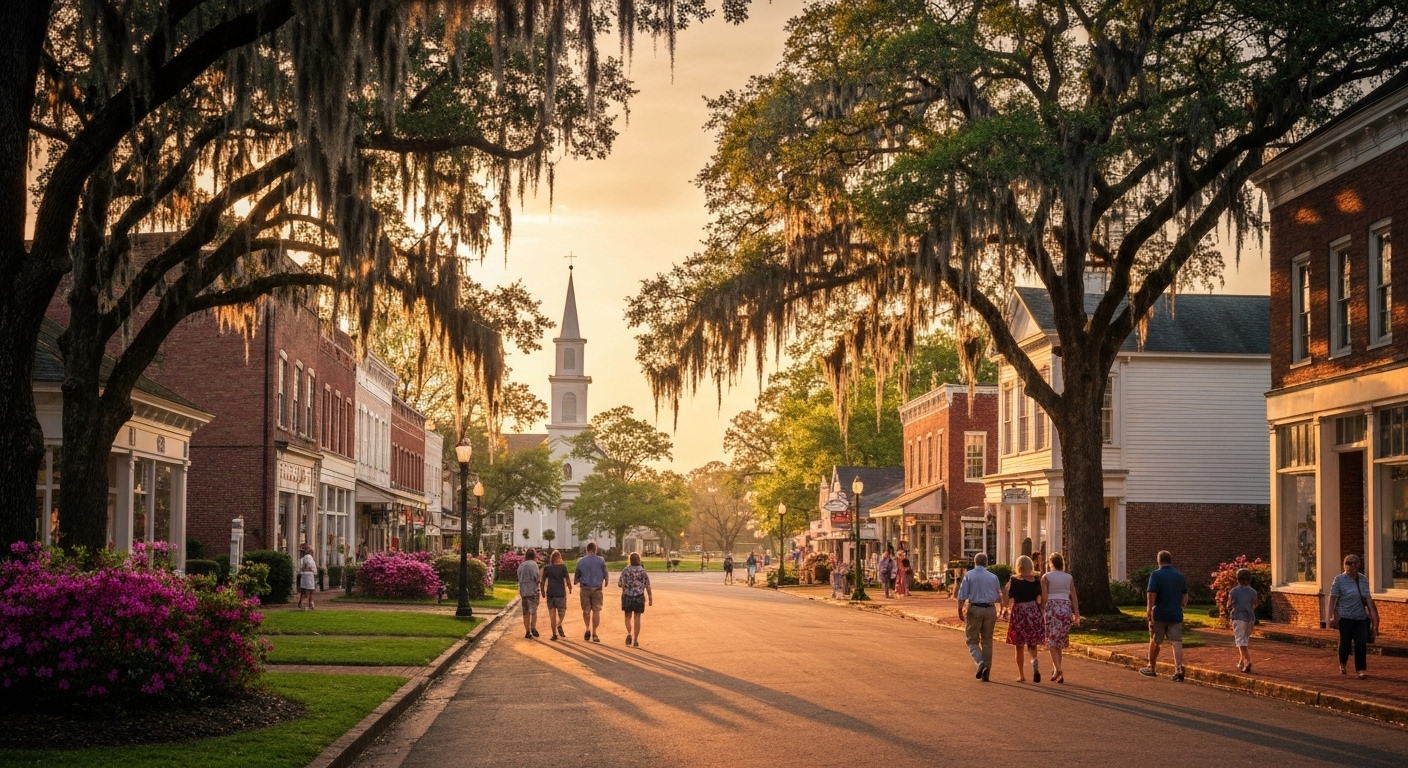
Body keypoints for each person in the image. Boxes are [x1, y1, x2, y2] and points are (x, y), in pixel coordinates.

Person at [1140, 550, 1189, 681]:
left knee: (1155, 641)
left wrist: (1149, 611)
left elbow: (1151, 594)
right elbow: (1185, 595)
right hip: (1175, 614)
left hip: (1160, 613)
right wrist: (1181, 606)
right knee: (1176, 642)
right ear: (1170, 560)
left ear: (1159, 560)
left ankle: (1151, 667)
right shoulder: (1179, 576)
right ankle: (1178, 669)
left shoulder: (1156, 575)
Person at [1329, 554, 1379, 679]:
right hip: (1345, 617)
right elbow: (1332, 599)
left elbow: (1368, 600)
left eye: (1354, 563)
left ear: (1358, 565)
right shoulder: (1339, 579)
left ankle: (1360, 670)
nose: (1351, 565)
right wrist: (1329, 617)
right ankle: (1342, 663)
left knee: (1361, 643)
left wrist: (1374, 620)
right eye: (1348, 563)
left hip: (1360, 617)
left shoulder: (1363, 579)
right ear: (1344, 565)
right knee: (1345, 643)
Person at [957, 552, 1002, 681]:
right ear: (986, 563)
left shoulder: (969, 575)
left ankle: (980, 661)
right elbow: (999, 595)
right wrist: (1002, 609)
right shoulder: (993, 577)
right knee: (987, 641)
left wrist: (960, 610)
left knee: (971, 639)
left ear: (975, 562)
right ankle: (986, 671)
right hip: (989, 609)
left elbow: (962, 595)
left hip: (975, 608)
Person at [1003, 555, 1045, 682]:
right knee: (1032, 643)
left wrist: (1005, 606)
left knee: (1019, 644)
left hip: (1019, 612)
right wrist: (1040, 608)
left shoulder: (1014, 580)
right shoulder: (1037, 580)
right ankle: (1034, 660)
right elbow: (1042, 597)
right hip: (1033, 611)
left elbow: (1006, 597)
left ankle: (1021, 675)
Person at [1041, 552, 1079, 684]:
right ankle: (1057, 670)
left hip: (1052, 608)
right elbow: (1073, 596)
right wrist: (1077, 613)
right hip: (1065, 608)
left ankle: (1058, 669)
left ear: (1051, 563)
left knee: (1051, 640)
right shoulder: (1068, 577)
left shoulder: (1046, 577)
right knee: (1059, 642)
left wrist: (1043, 610)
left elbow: (1045, 597)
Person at [574, 541, 608, 642]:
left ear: (587, 550)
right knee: (596, 611)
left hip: (585, 588)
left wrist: (576, 581)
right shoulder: (601, 560)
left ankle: (587, 628)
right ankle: (594, 633)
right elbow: (605, 572)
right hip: (597, 588)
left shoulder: (581, 561)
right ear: (595, 550)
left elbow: (577, 574)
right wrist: (606, 580)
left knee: (586, 610)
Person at [1228, 568, 1260, 673]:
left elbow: (1229, 603)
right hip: (1250, 618)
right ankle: (1241, 662)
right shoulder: (1253, 591)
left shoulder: (1234, 591)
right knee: (1245, 639)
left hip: (1238, 617)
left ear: (1238, 579)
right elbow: (1255, 604)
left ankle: (1247, 661)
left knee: (1240, 641)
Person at [618, 552, 653, 647]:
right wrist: (650, 598)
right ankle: (636, 640)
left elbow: (620, 584)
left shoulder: (625, 570)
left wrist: (626, 586)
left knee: (627, 617)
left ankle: (629, 633)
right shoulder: (642, 571)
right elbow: (648, 585)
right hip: (639, 597)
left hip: (627, 597)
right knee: (637, 618)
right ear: (639, 560)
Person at [541, 549, 572, 641]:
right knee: (562, 612)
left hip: (550, 593)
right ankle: (559, 624)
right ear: (559, 558)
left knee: (552, 615)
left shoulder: (547, 568)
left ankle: (554, 634)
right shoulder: (563, 567)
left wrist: (542, 591)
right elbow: (567, 579)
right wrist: (570, 588)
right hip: (560, 594)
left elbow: (542, 581)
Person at [517, 548, 541, 640]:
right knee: (533, 611)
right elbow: (537, 577)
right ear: (534, 555)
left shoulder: (521, 566)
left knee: (525, 612)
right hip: (532, 590)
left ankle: (527, 631)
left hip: (523, 591)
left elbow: (519, 577)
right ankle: (533, 627)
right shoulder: (534, 564)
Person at [296, 544, 317, 610]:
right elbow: (311, 566)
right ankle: (311, 603)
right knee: (311, 590)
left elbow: (299, 566)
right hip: (309, 574)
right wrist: (314, 572)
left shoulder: (302, 558)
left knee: (303, 589)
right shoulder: (309, 557)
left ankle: (301, 602)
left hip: (303, 574)